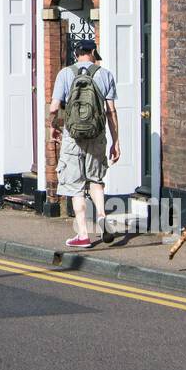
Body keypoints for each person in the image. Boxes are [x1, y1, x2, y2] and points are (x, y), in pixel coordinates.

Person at [48, 40, 120, 249]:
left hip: (73, 136)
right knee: (96, 178)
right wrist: (116, 141)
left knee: (75, 185)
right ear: (93, 52)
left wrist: (52, 126)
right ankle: (101, 214)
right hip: (97, 135)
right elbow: (111, 111)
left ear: (76, 54)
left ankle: (83, 235)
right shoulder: (105, 75)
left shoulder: (65, 74)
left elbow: (54, 107)